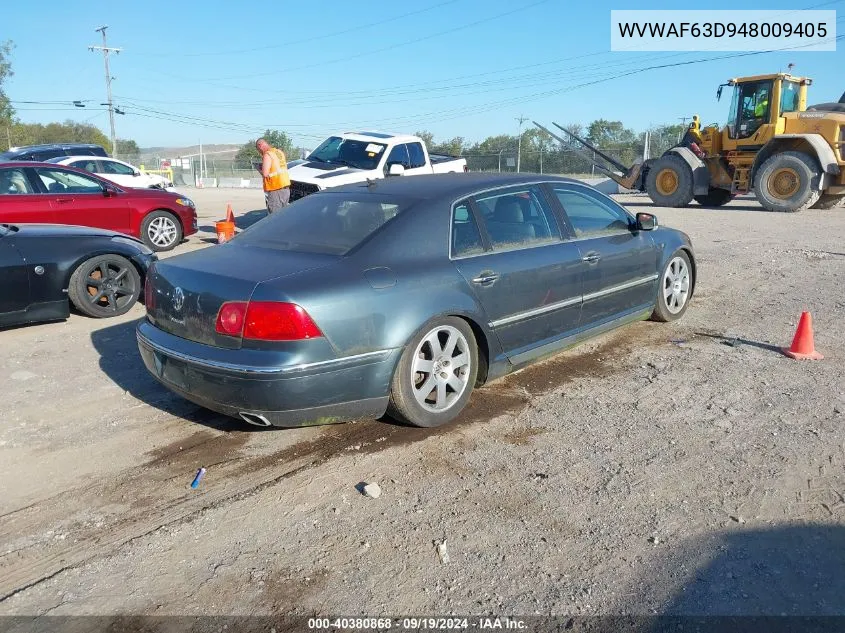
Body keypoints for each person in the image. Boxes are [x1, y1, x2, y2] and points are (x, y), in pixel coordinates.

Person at [255, 138, 291, 213]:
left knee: (274, 217)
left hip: (276, 189)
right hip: (285, 188)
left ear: (260, 146)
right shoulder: (279, 152)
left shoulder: (267, 154)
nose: (260, 152)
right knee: (283, 214)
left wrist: (259, 168)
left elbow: (265, 173)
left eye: (258, 150)